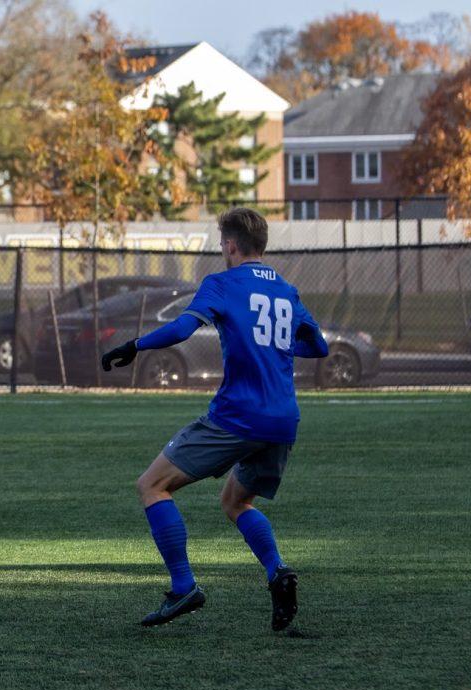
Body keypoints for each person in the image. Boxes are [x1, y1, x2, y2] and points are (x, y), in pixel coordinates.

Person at [101, 208, 328, 630]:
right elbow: (318, 346)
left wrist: (136, 344)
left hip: (238, 416)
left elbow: (183, 329)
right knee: (236, 501)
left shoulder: (221, 283)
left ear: (230, 244)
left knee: (151, 485)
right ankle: (277, 572)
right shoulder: (286, 289)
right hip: (282, 420)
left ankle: (183, 585)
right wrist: (273, 349)